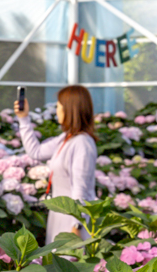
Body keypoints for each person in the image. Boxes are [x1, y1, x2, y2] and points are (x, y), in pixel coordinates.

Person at [14, 85, 98, 243]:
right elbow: (36, 152)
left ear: (70, 109)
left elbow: (81, 189)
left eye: (59, 105)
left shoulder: (82, 144)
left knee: (68, 264)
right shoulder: (66, 138)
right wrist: (23, 118)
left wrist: (77, 226)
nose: (57, 110)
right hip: (60, 216)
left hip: (72, 221)